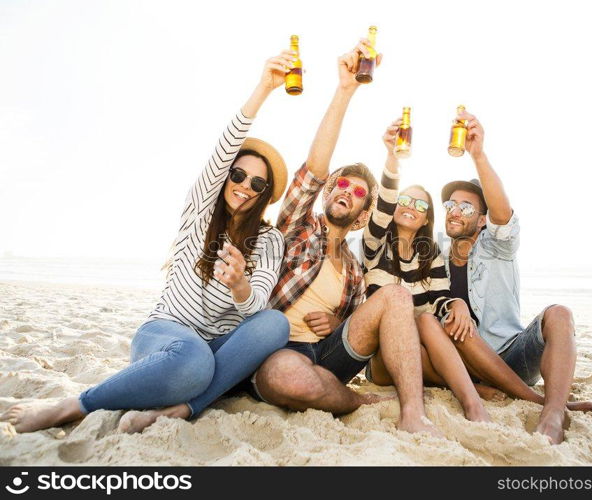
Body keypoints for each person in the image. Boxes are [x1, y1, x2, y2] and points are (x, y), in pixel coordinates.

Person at [1, 51, 295, 434]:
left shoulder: (270, 240)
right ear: (226, 176)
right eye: (238, 174)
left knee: (273, 324)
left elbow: (255, 304)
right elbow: (222, 149)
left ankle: (183, 408)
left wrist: (239, 283)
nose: (244, 185)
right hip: (166, 333)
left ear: (265, 193)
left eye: (257, 183)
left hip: (218, 344)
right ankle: (74, 405)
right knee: (193, 362)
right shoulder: (200, 211)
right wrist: (263, 89)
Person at [252, 40, 442, 436]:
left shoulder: (356, 268)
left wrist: (340, 320)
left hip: (330, 353)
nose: (345, 192)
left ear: (361, 218)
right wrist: (345, 91)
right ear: (327, 192)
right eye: (341, 185)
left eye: (358, 194)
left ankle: (412, 411)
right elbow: (313, 171)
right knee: (289, 380)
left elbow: (359, 323)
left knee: (394, 296)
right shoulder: (298, 230)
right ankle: (357, 399)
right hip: (282, 351)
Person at [417, 107, 592, 444]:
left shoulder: (496, 245)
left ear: (483, 219)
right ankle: (507, 394)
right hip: (464, 359)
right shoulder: (436, 256)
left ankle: (554, 411)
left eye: (467, 207)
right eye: (451, 205)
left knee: (559, 314)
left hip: (512, 354)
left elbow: (503, 214)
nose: (455, 211)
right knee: (433, 328)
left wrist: (478, 155)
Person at [361, 117, 496, 423]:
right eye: (405, 200)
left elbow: (438, 300)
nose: (411, 206)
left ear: (425, 219)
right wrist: (393, 158)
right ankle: (472, 389)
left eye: (421, 205)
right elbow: (382, 205)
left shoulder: (430, 254)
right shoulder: (375, 244)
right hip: (383, 355)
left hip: (419, 351)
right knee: (420, 326)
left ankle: (472, 403)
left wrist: (457, 303)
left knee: (428, 324)